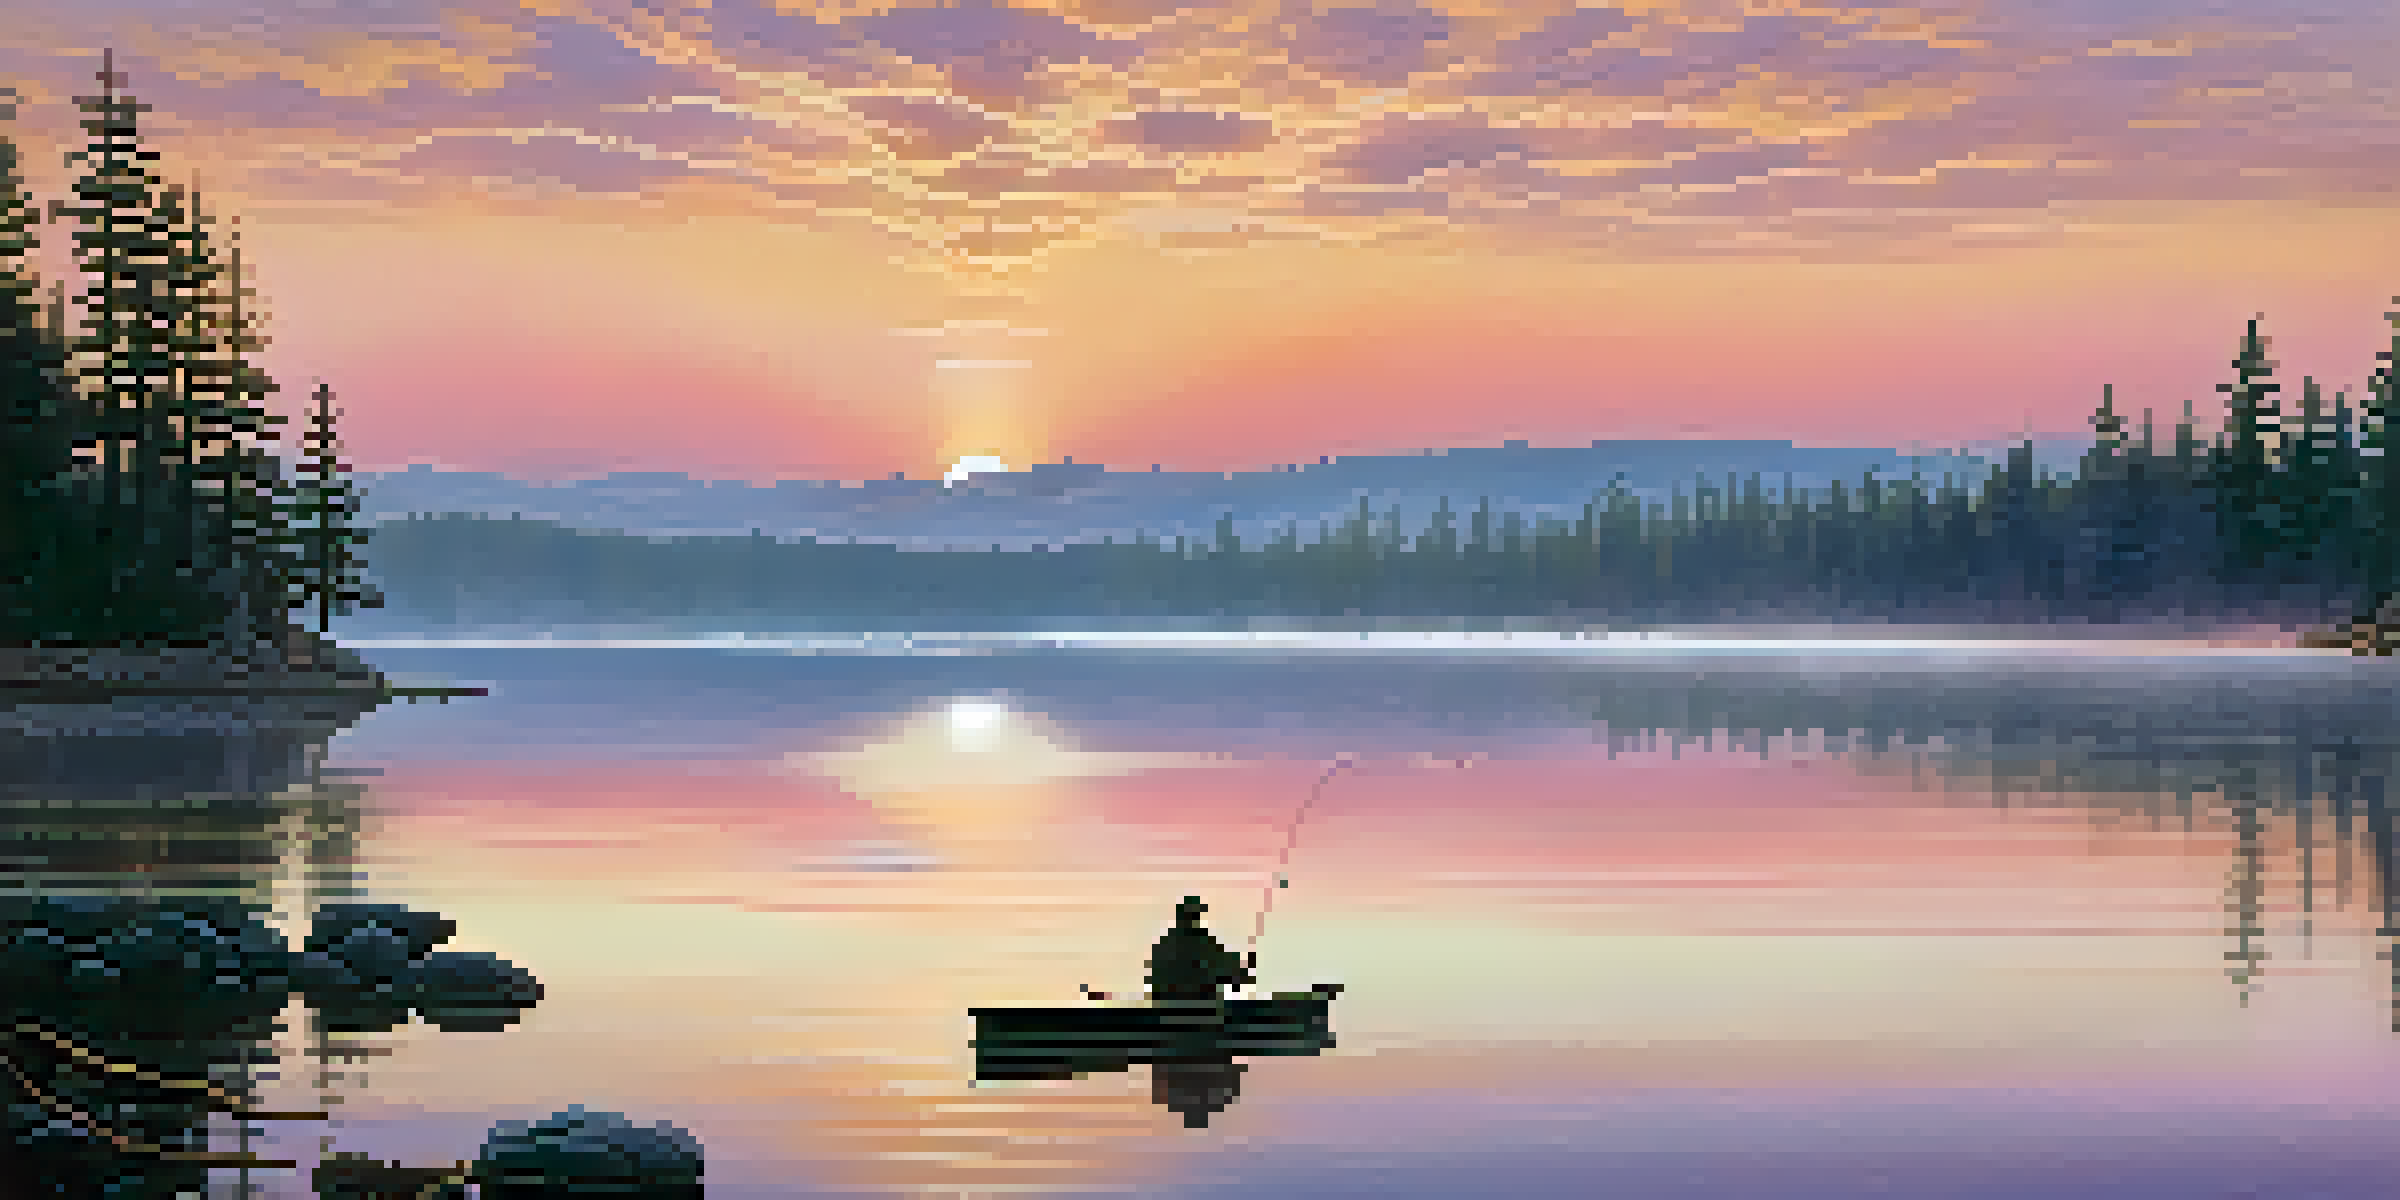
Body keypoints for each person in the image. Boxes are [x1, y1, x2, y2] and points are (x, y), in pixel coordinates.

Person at [1145, 896, 1254, 1003]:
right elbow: (1223, 963)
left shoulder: (1165, 942)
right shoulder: (1202, 941)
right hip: (1199, 1005)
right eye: (1195, 914)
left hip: (1168, 1007)